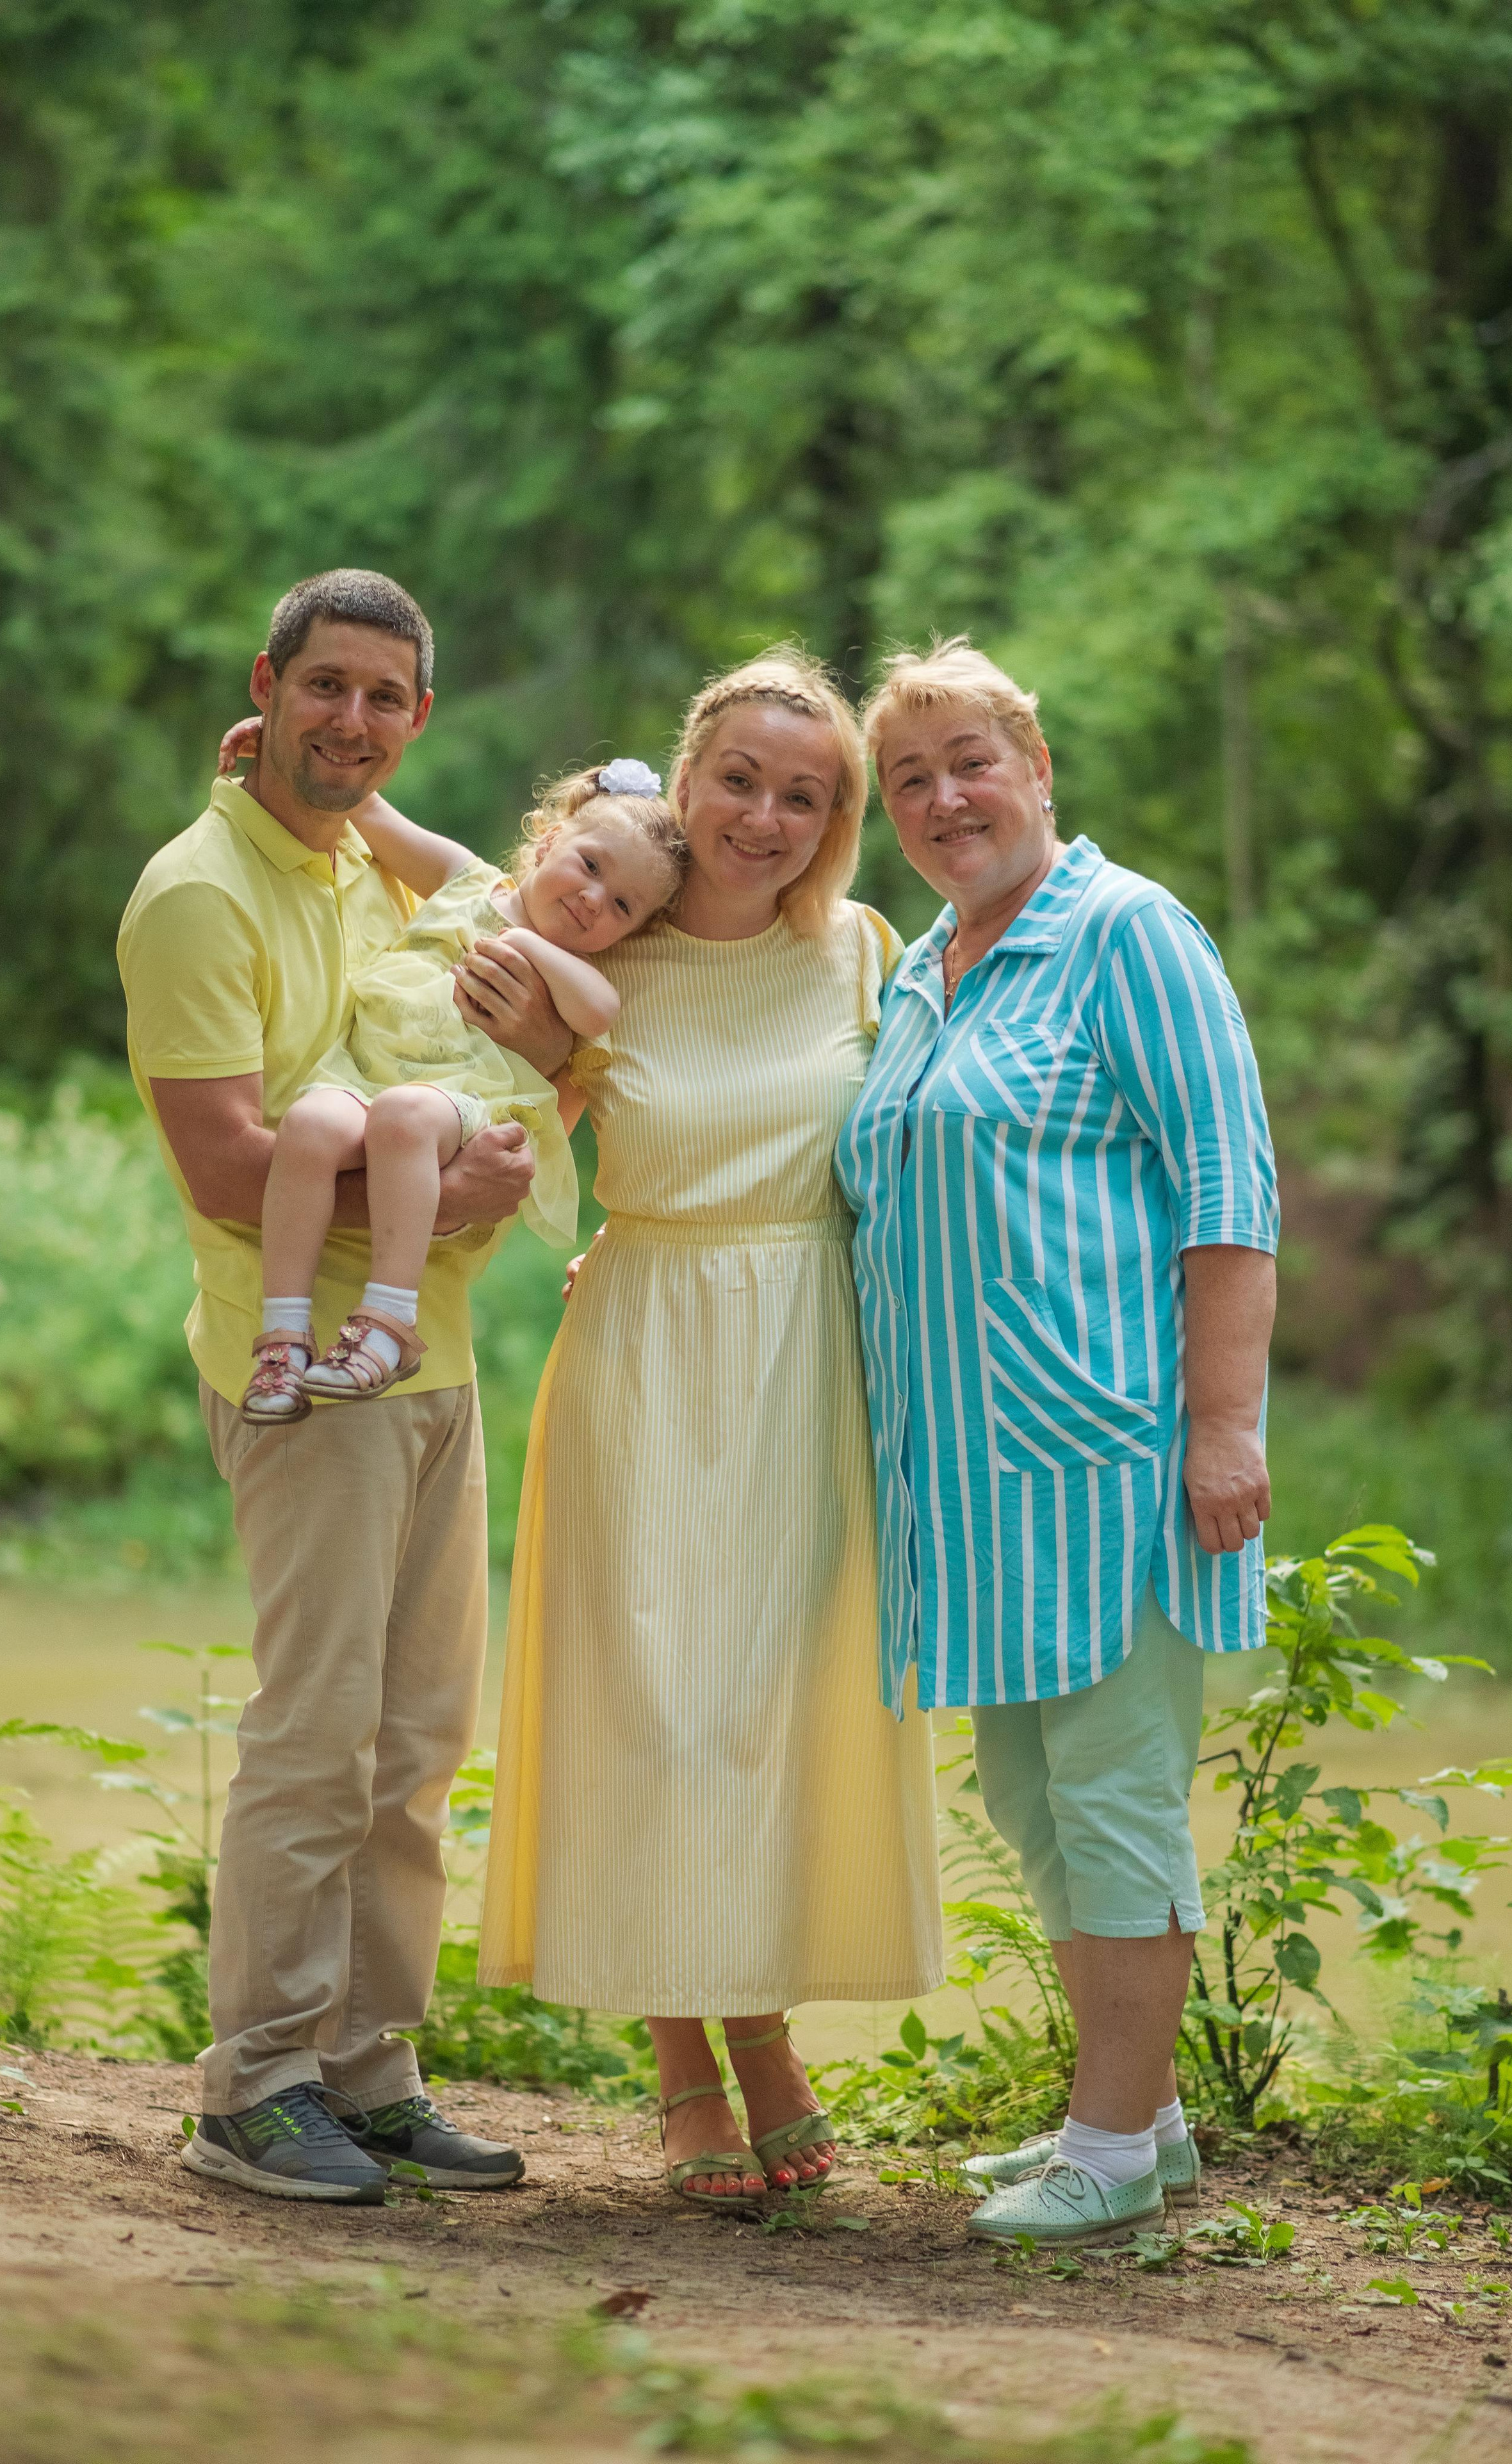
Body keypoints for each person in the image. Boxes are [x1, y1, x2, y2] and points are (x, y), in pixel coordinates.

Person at [472, 648, 945, 2212]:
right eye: (736, 779)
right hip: (644, 1350)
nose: (763, 814)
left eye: (801, 794)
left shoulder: (870, 953)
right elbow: (494, 1117)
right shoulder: (586, 949)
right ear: (680, 785)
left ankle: (751, 2023)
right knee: (659, 1707)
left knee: (770, 1699)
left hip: (811, 1363)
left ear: (836, 820)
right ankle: (711, 2051)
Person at [836, 639, 1278, 2251]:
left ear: (1035, 763)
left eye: (971, 758)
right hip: (964, 1484)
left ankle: (1101, 2148)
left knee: (1111, 1797)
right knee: (1029, 1794)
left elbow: (1229, 1195)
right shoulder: (924, 968)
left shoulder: (1127, 932)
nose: (946, 796)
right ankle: (1135, 2119)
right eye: (911, 777)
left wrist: (1221, 1426)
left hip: (1107, 1459)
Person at [117, 568, 550, 2206]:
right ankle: (255, 2086)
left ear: (416, 717)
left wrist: (368, 794)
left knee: (418, 1741)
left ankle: (370, 2073)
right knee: (316, 1737)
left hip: (427, 1363)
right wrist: (469, 1198)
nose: (350, 720)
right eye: (324, 688)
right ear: (266, 684)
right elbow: (227, 1161)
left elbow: (534, 885)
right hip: (302, 1374)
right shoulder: (196, 895)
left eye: (384, 696)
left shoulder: (363, 858)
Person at [202, 753, 685, 1423]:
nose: (593, 898)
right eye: (591, 866)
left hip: (463, 1103)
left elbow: (600, 1010)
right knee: (309, 1126)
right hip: (362, 1075)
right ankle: (283, 1336)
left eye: (623, 905)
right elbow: (369, 813)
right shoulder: (465, 881)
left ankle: (388, 1321)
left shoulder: (572, 970)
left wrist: (531, 944)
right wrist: (271, 745)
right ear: (549, 842)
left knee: (403, 1116)